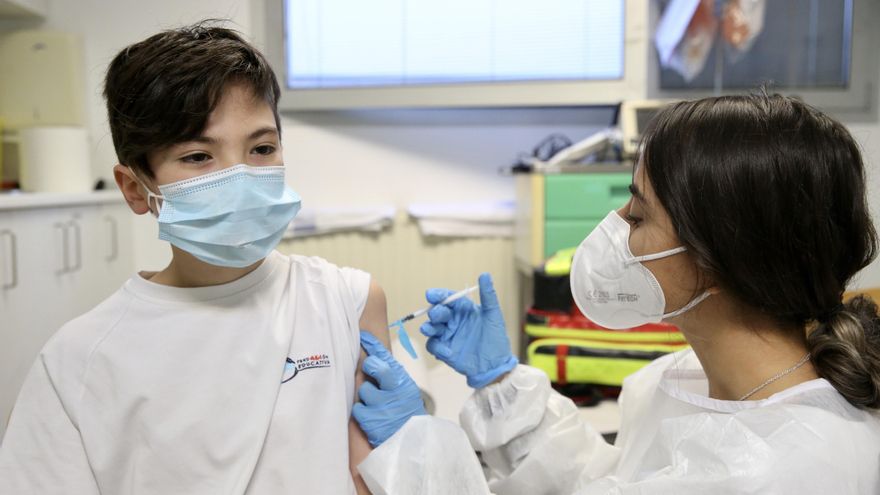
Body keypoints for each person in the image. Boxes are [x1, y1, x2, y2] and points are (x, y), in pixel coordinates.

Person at [353, 92, 880, 494]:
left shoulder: (785, 468)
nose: (618, 229)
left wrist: (416, 451)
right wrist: (502, 385)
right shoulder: (685, 381)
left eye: (639, 213)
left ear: (720, 255)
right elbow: (606, 483)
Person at [0, 22, 389, 494]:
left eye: (262, 148)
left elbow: (371, 478)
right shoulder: (78, 361)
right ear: (135, 188)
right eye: (198, 157)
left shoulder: (345, 301)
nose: (240, 177)